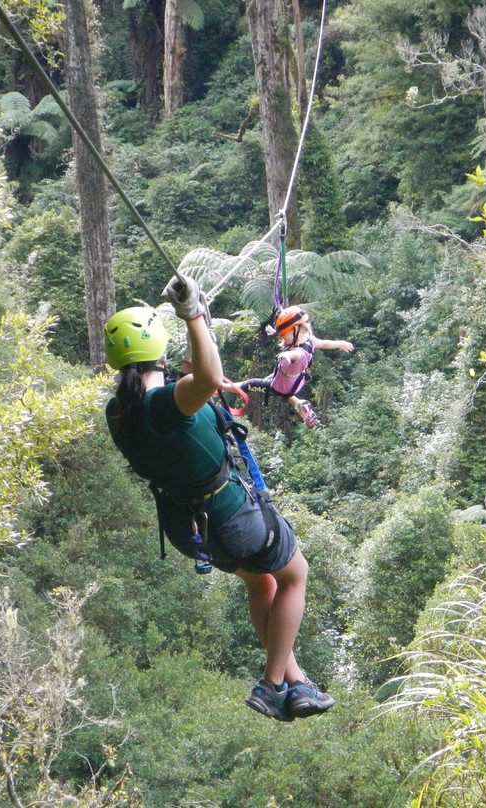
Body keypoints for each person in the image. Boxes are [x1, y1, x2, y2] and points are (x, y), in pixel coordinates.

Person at [103, 276, 335, 721]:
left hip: (188, 526)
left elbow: (195, 380)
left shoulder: (123, 410)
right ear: (159, 347)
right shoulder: (166, 404)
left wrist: (202, 324)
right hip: (228, 512)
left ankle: (298, 684)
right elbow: (204, 379)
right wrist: (191, 314)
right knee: (293, 575)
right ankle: (270, 685)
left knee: (260, 583)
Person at [237, 306, 354, 428]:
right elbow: (325, 343)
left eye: (284, 336)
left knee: (249, 384)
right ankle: (300, 405)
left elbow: (294, 354)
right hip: (295, 382)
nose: (283, 340)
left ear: (295, 329)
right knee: (280, 390)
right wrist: (341, 343)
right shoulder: (310, 341)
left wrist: (286, 355)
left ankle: (220, 386)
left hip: (282, 385)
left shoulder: (299, 353)